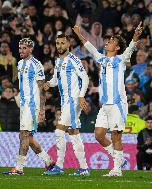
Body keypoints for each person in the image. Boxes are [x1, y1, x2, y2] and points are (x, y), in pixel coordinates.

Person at [73, 22, 143, 176]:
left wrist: (136, 34)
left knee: (116, 135)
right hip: (105, 105)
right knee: (98, 134)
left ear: (117, 47)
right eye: (108, 40)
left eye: (111, 41)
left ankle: (117, 169)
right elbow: (90, 47)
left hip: (117, 104)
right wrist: (78, 34)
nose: (107, 42)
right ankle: (120, 159)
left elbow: (131, 46)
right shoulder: (101, 59)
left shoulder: (121, 59)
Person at [2, 38, 54, 175]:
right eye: (20, 48)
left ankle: (19, 168)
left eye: (24, 48)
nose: (21, 51)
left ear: (31, 49)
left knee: (23, 135)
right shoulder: (19, 64)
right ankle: (49, 162)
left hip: (32, 105)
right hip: (23, 105)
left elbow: (42, 88)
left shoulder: (36, 65)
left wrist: (42, 110)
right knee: (28, 138)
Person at [43, 34, 90, 176]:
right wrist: (48, 84)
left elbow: (85, 78)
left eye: (62, 43)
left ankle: (59, 166)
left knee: (59, 131)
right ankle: (84, 168)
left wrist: (81, 96)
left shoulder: (74, 60)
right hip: (65, 102)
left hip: (73, 100)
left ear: (68, 44)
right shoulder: (58, 61)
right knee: (73, 133)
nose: (59, 46)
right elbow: (56, 80)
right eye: (57, 43)